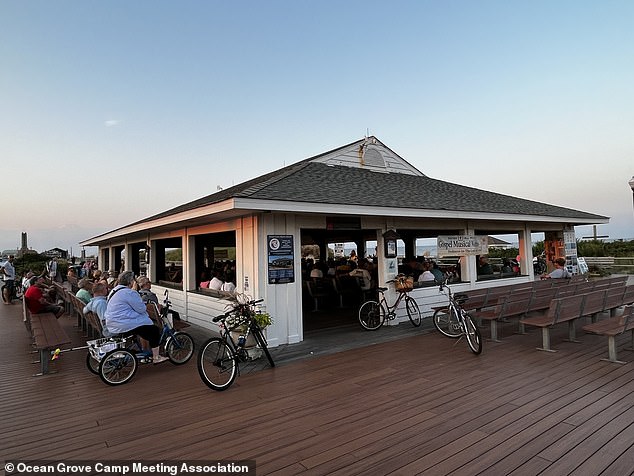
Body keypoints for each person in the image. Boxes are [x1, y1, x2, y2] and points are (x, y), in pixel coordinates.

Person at [104, 271, 168, 364]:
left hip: (112, 323)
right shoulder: (129, 293)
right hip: (123, 324)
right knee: (154, 330)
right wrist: (134, 291)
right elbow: (141, 309)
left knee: (143, 329)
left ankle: (144, 350)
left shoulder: (114, 290)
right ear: (131, 282)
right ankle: (156, 357)